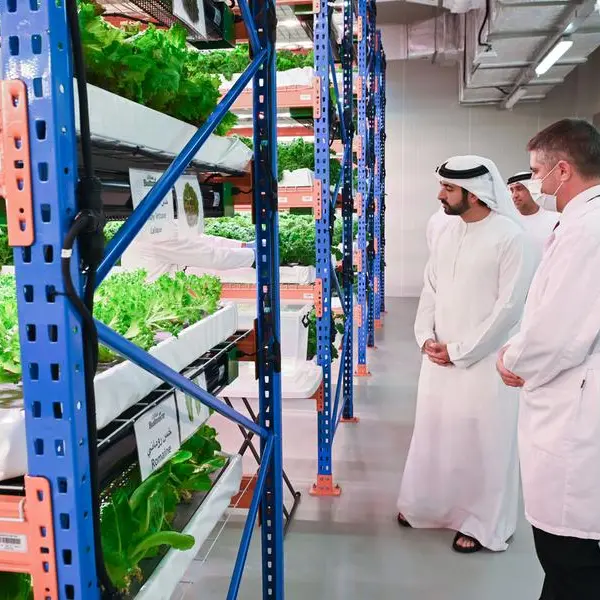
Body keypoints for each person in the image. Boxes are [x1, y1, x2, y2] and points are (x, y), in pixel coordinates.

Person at [397, 155, 535, 554]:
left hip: (482, 364)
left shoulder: (512, 238)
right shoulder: (446, 231)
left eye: (448, 188)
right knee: (437, 435)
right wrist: (425, 338)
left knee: (484, 443)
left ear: (474, 195)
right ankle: (429, 507)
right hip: (438, 358)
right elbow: (430, 289)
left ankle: (483, 523)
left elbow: (509, 309)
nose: (440, 195)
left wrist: (460, 351)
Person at [496, 119, 600, 599]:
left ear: (563, 169)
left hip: (577, 411)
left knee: (570, 562)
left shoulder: (586, 230)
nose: (534, 183)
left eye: (537, 171)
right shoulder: (582, 221)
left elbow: (557, 335)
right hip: (575, 399)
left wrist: (512, 358)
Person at [122, 221, 255, 281]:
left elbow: (198, 240)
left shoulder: (159, 222)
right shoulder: (157, 235)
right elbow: (208, 257)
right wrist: (253, 256)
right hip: (156, 304)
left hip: (161, 297)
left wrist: (244, 246)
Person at [507, 171, 557, 256]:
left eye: (519, 189)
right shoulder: (509, 223)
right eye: (512, 190)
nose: (514, 195)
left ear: (531, 190)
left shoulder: (555, 219)